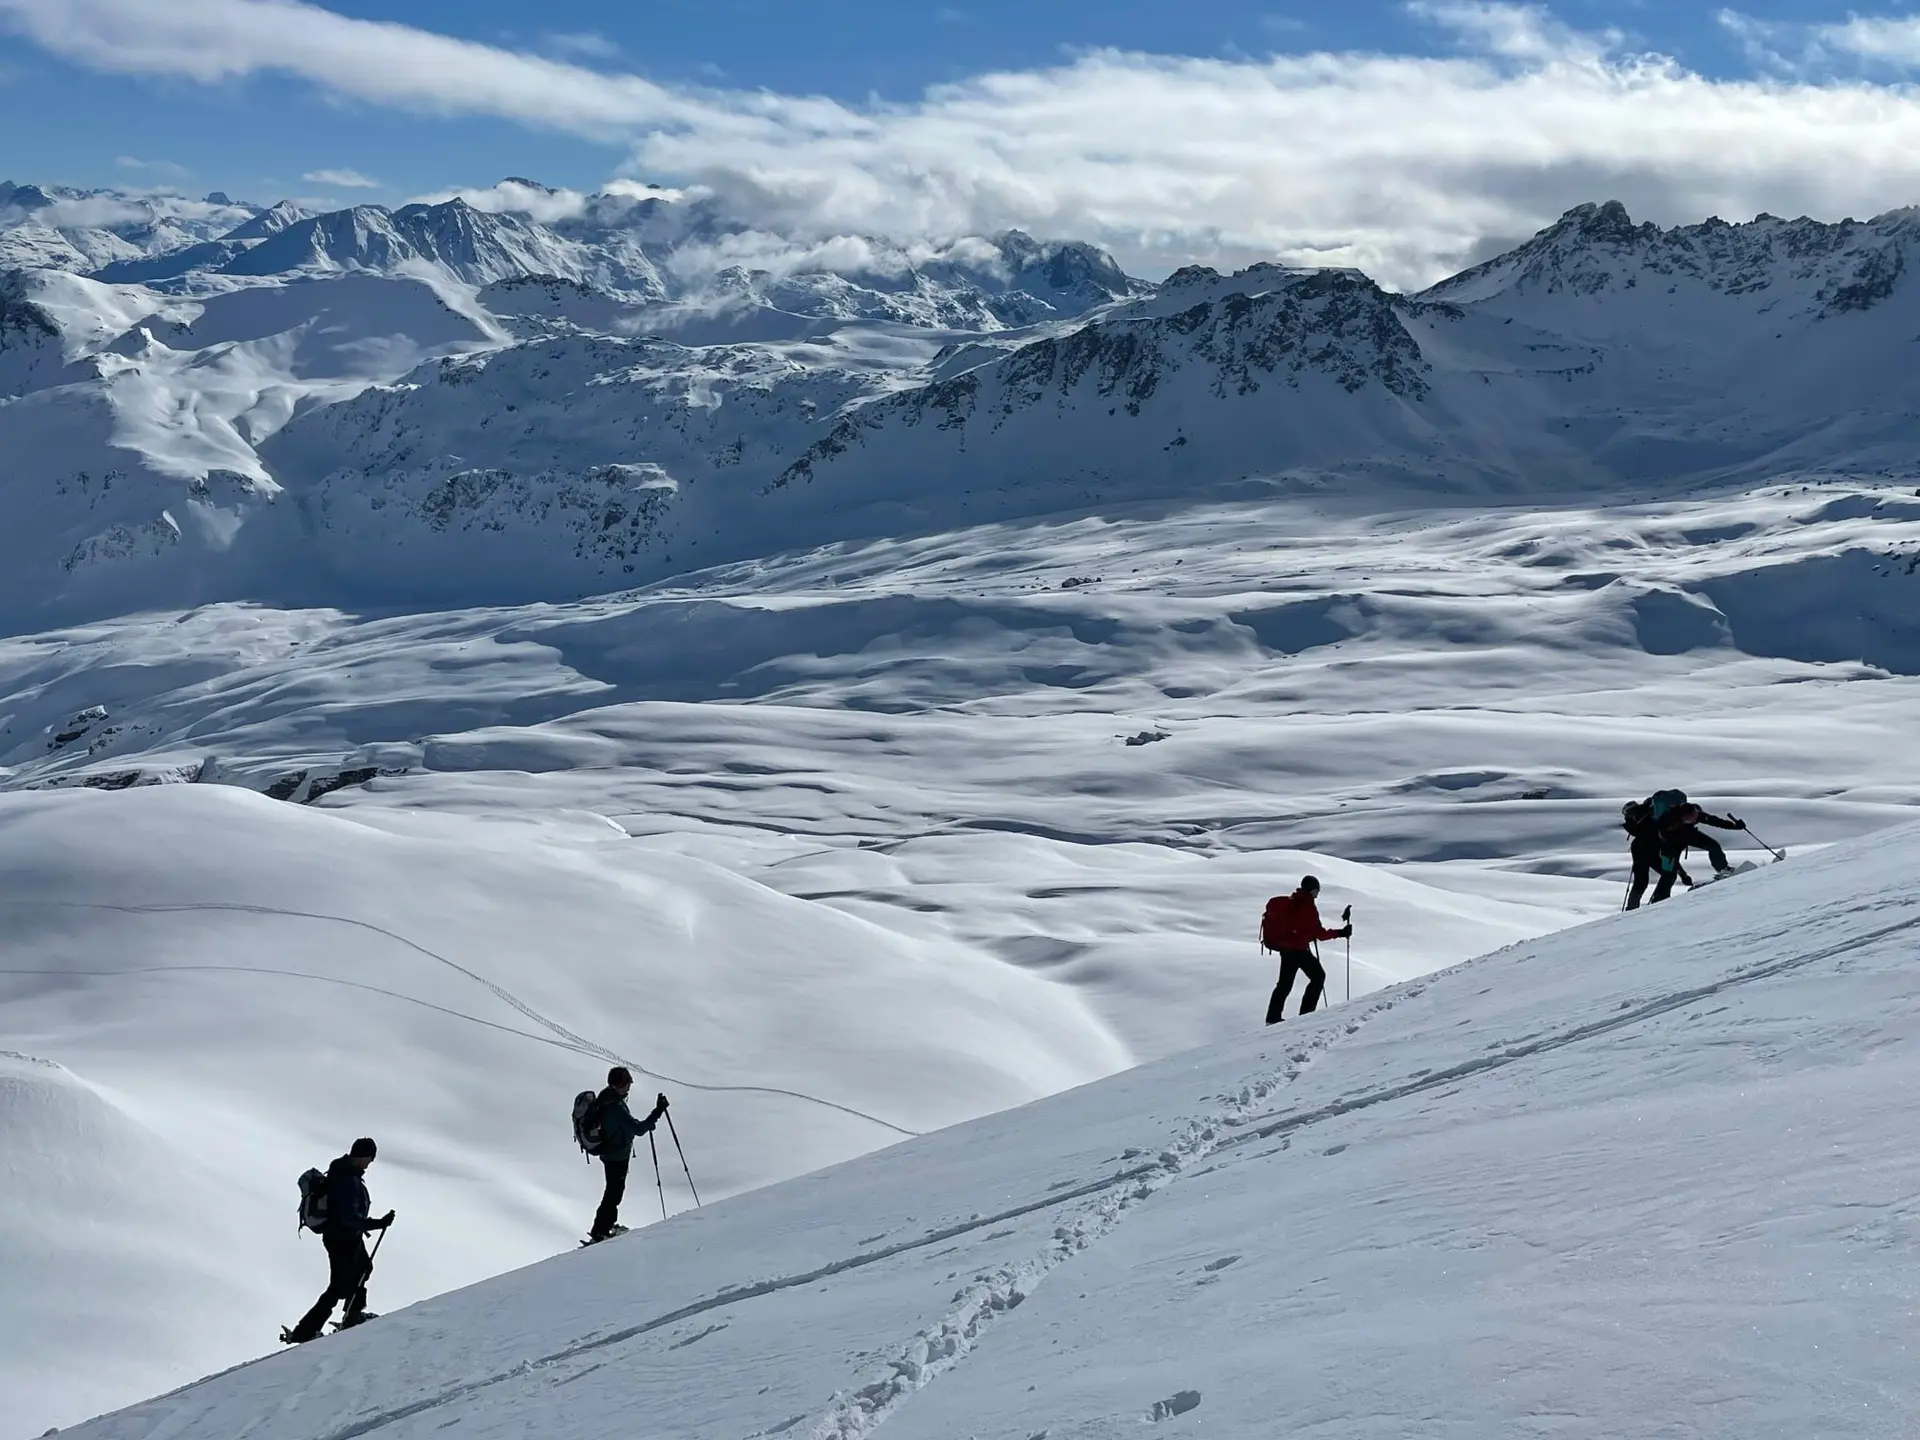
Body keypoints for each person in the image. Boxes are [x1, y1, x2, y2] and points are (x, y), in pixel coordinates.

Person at [283, 1137, 393, 1343]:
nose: (369, 1164)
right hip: (340, 1238)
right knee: (338, 1287)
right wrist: (379, 1223)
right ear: (363, 1157)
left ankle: (352, 1315)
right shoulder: (346, 1179)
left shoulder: (344, 1172)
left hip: (347, 1236)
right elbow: (348, 1217)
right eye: (369, 1159)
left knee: (363, 1269)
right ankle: (305, 1332)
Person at [1624, 792, 1745, 909]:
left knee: (1712, 846)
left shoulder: (1692, 812)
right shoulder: (1666, 821)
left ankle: (1723, 869)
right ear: (1681, 818)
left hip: (1677, 842)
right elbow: (1657, 839)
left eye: (1695, 819)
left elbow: (1713, 820)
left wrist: (1734, 826)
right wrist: (1683, 874)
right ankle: (1658, 902)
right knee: (1669, 874)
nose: (1694, 820)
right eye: (1691, 820)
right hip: (1668, 845)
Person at [588, 1068, 668, 1243]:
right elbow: (637, 1129)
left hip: (611, 1153)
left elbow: (627, 1126)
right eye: (627, 1084)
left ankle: (603, 1227)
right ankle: (601, 1231)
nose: (629, 1088)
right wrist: (658, 1111)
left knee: (612, 1192)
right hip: (616, 1155)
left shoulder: (607, 1097)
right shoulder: (615, 1106)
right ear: (619, 1084)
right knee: (614, 1194)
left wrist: (646, 1124)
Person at [1261, 875, 1352, 1023]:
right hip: (1299, 950)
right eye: (1317, 891)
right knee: (1318, 977)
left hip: (1286, 950)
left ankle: (1272, 1017)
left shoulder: (1293, 901)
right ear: (1312, 890)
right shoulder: (1308, 907)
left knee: (1284, 985)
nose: (1317, 894)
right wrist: (1341, 933)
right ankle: (1306, 1016)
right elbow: (1320, 934)